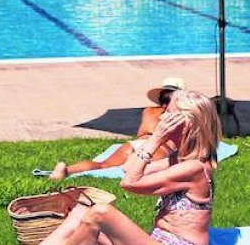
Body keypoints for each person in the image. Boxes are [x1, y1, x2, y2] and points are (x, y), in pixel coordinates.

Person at [41, 89, 221, 245]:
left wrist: (155, 140)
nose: (162, 117)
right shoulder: (177, 159)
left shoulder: (194, 168)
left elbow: (129, 183)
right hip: (156, 239)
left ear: (187, 124)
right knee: (80, 212)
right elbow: (128, 168)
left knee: (100, 213)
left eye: (170, 114)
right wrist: (155, 141)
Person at [47, 77, 185, 181]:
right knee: (142, 171)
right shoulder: (181, 116)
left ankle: (66, 169)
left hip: (135, 143)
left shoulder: (148, 111)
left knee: (103, 164)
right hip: (157, 147)